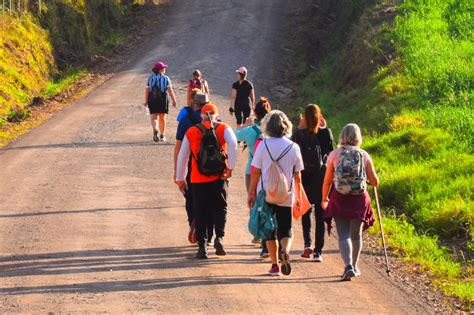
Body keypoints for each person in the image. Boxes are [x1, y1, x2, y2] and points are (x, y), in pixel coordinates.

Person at [176, 104, 238, 259]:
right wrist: (230, 167)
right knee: (220, 208)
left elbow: (183, 156)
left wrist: (180, 178)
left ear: (201, 116)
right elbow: (233, 144)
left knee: (200, 211)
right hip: (219, 177)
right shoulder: (223, 128)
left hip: (197, 179)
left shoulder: (191, 131)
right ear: (216, 116)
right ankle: (219, 238)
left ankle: (202, 247)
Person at [248, 110, 304, 276]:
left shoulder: (263, 145)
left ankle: (274, 265)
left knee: (268, 229)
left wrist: (251, 192)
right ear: (286, 126)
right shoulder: (294, 147)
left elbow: (256, 172)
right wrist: (299, 196)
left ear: (268, 127)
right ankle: (285, 251)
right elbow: (298, 176)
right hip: (286, 194)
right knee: (285, 228)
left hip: (266, 194)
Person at [321, 123, 380, 281]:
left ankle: (347, 267)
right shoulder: (364, 155)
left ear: (342, 136)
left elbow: (327, 181)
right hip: (359, 199)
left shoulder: (334, 155)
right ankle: (354, 266)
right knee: (356, 235)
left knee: (343, 235)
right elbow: (374, 182)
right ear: (358, 137)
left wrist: (324, 198)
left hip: (340, 197)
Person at [291, 104, 334, 262]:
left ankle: (307, 244)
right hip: (321, 177)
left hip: (303, 176)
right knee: (320, 214)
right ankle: (318, 251)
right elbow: (330, 153)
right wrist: (325, 129)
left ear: (305, 118)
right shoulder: (325, 133)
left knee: (306, 211)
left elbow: (292, 149)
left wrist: (299, 127)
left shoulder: (299, 134)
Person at [174, 92, 213, 244]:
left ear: (193, 103)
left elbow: (178, 149)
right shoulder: (215, 120)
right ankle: (209, 234)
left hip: (191, 167)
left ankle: (194, 222)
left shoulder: (185, 121)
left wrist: (178, 174)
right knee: (210, 200)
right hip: (211, 167)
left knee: (191, 199)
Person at [234, 97, 271, 258]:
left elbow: (235, 135)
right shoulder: (272, 129)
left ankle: (257, 232)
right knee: (268, 201)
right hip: (268, 170)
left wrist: (247, 122)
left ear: (255, 112)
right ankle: (266, 234)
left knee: (254, 200)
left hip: (252, 170)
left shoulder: (251, 131)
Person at [144, 61, 177, 142]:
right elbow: (170, 90)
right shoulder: (165, 78)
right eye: (163, 68)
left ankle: (155, 129)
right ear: (160, 69)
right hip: (162, 99)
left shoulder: (150, 78)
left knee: (154, 117)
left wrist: (145, 101)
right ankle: (162, 135)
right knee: (162, 118)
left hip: (152, 99)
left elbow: (147, 91)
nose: (165, 69)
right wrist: (174, 100)